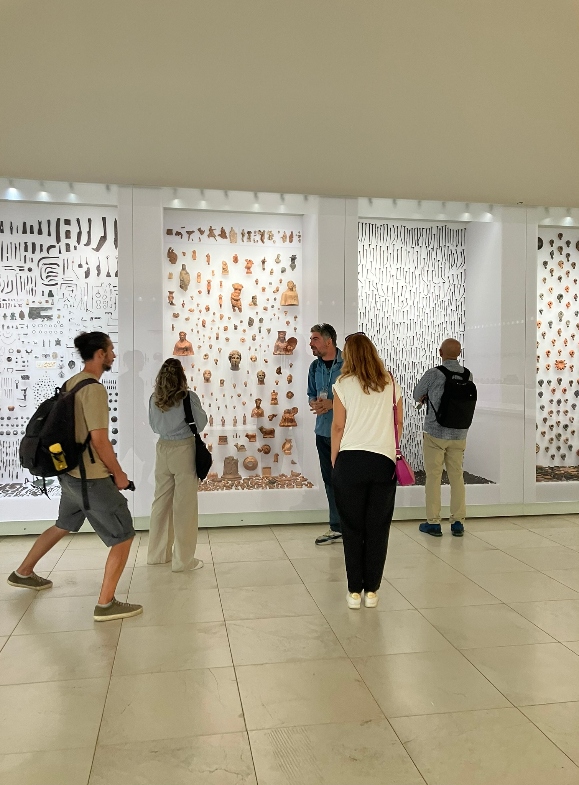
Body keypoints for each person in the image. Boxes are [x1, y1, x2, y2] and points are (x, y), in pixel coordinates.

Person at [8, 332, 143, 622]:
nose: (114, 356)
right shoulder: (93, 389)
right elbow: (100, 440)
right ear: (99, 354)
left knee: (63, 525)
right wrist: (118, 474)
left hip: (69, 476)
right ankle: (105, 604)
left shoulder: (71, 383)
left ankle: (23, 572)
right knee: (123, 535)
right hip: (91, 479)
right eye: (110, 351)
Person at [331, 333, 401, 609]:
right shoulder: (390, 383)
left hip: (350, 460)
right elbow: (398, 423)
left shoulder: (343, 384)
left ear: (349, 355)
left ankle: (354, 592)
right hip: (383, 461)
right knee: (378, 527)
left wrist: (335, 460)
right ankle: (372, 591)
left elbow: (338, 426)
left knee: (351, 528)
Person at [148, 358, 207, 571]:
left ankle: (157, 554)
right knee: (184, 506)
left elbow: (154, 426)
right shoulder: (188, 398)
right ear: (182, 375)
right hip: (184, 449)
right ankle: (183, 561)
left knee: (161, 503)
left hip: (162, 448)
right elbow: (200, 424)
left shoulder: (154, 398)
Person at [413, 338, 472, 537]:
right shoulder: (467, 374)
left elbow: (416, 394)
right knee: (457, 476)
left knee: (434, 476)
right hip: (459, 433)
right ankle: (457, 522)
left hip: (435, 433)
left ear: (440, 352)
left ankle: (434, 522)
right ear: (459, 353)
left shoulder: (433, 373)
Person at [308, 323, 344, 545]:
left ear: (328, 341)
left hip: (345, 433)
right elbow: (311, 393)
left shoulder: (348, 365)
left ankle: (352, 526)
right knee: (330, 481)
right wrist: (315, 404)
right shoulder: (314, 367)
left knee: (346, 482)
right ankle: (336, 526)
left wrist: (334, 405)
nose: (311, 343)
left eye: (315, 339)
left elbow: (358, 399)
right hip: (322, 431)